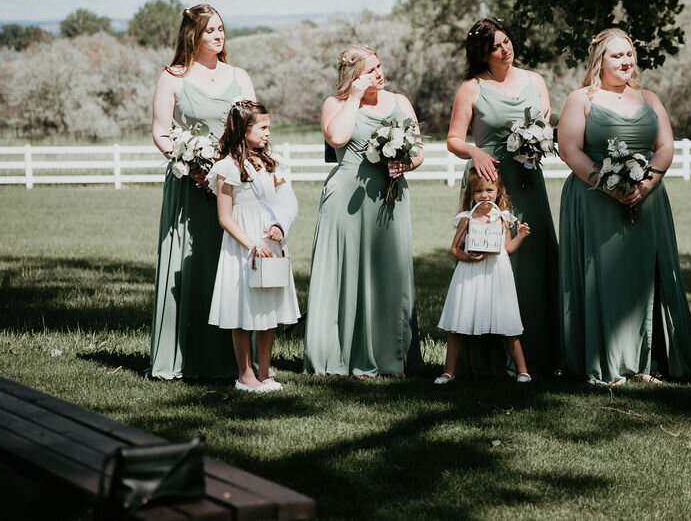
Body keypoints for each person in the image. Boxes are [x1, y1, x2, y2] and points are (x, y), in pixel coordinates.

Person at [557, 28, 691, 386]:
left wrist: (647, 182)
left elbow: (666, 146)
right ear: (599, 60)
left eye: (629, 54)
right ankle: (606, 361)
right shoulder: (581, 99)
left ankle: (648, 360)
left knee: (646, 276)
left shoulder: (649, 98)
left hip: (647, 199)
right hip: (595, 199)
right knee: (604, 277)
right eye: (616, 55)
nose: (626, 61)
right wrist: (608, 187)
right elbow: (569, 150)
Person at [149, 4, 259, 380]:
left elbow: (252, 125)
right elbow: (161, 132)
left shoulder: (239, 76)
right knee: (192, 265)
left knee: (229, 266)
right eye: (210, 30)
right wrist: (193, 164)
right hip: (189, 186)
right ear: (192, 35)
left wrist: (230, 168)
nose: (218, 36)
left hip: (231, 184)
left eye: (222, 29)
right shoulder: (173, 77)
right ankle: (184, 357)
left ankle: (235, 360)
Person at [445, 17, 560, 377]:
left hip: (527, 179)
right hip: (488, 184)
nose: (504, 49)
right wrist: (474, 153)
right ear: (482, 54)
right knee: (486, 261)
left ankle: (539, 355)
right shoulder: (471, 88)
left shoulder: (534, 80)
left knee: (530, 259)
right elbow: (454, 139)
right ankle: (486, 359)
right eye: (495, 46)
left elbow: (543, 126)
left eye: (506, 41)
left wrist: (537, 145)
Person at [303, 45, 424, 377]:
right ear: (354, 76)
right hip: (347, 199)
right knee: (345, 273)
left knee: (390, 273)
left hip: (390, 199)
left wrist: (405, 163)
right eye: (370, 71)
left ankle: (391, 357)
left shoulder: (400, 102)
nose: (380, 74)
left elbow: (419, 151)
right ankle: (337, 354)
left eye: (380, 66)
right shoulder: (336, 104)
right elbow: (338, 138)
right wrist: (354, 98)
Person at [207, 100, 301, 392]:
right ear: (243, 129)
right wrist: (250, 244)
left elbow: (288, 201)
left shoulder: (273, 163)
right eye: (262, 128)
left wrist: (279, 226)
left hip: (270, 242)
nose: (267, 134)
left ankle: (265, 371)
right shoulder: (226, 167)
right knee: (242, 309)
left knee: (267, 309)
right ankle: (245, 374)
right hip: (242, 246)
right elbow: (225, 217)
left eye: (268, 128)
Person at [435, 168, 532, 385]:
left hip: (497, 273)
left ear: (499, 192)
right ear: (471, 194)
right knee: (458, 324)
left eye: (489, 189)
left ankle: (523, 371)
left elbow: (507, 247)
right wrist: (470, 258)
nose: (484, 195)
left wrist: (521, 236)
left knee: (508, 324)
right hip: (470, 274)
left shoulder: (502, 217)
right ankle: (448, 371)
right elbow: (455, 249)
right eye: (479, 191)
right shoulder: (467, 218)